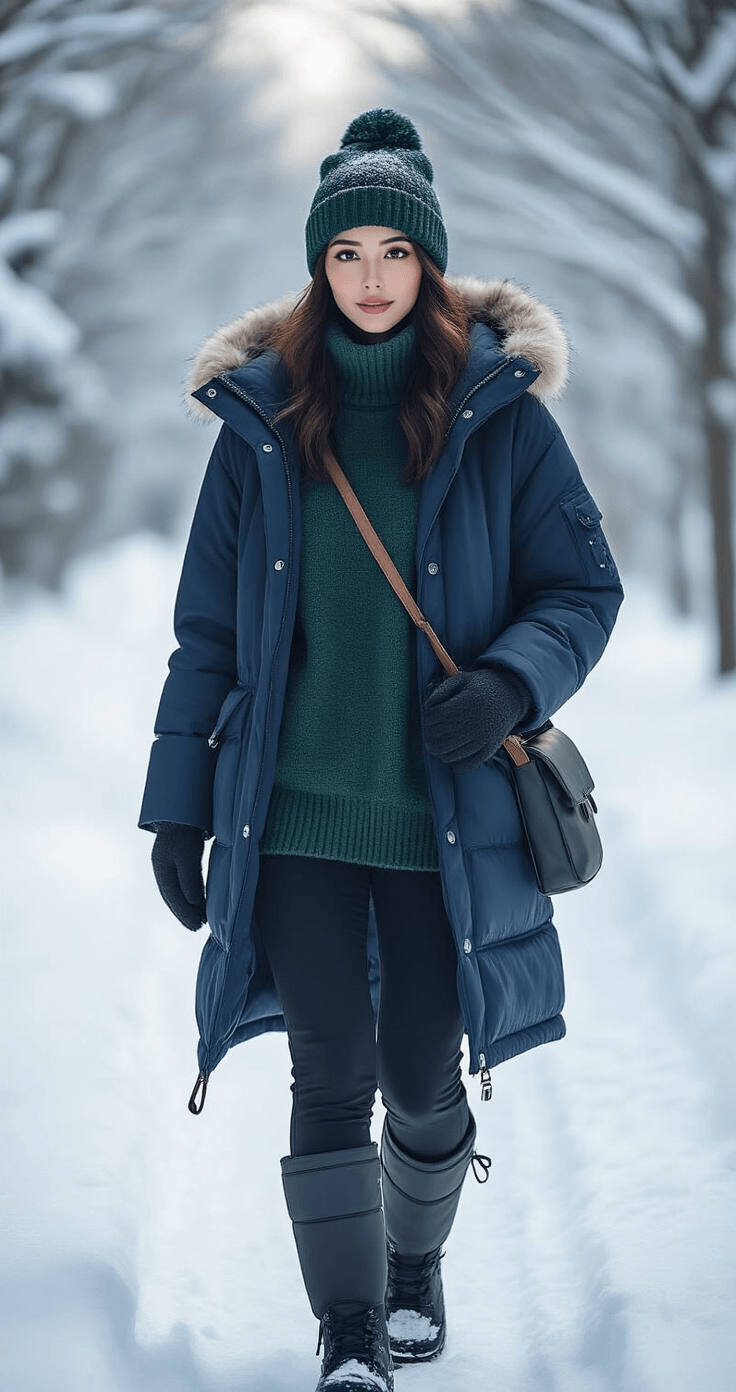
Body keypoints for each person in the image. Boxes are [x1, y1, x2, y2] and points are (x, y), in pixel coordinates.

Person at [139, 108, 624, 1392]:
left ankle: (414, 1266)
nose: (367, 276)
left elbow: (583, 590)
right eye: (343, 252)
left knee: (420, 1071)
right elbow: (205, 636)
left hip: (439, 813)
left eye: (391, 253)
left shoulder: (498, 416)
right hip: (290, 809)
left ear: (429, 266)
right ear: (317, 267)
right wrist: (176, 806)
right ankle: (349, 1330)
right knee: (328, 1071)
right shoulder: (259, 422)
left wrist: (514, 682)